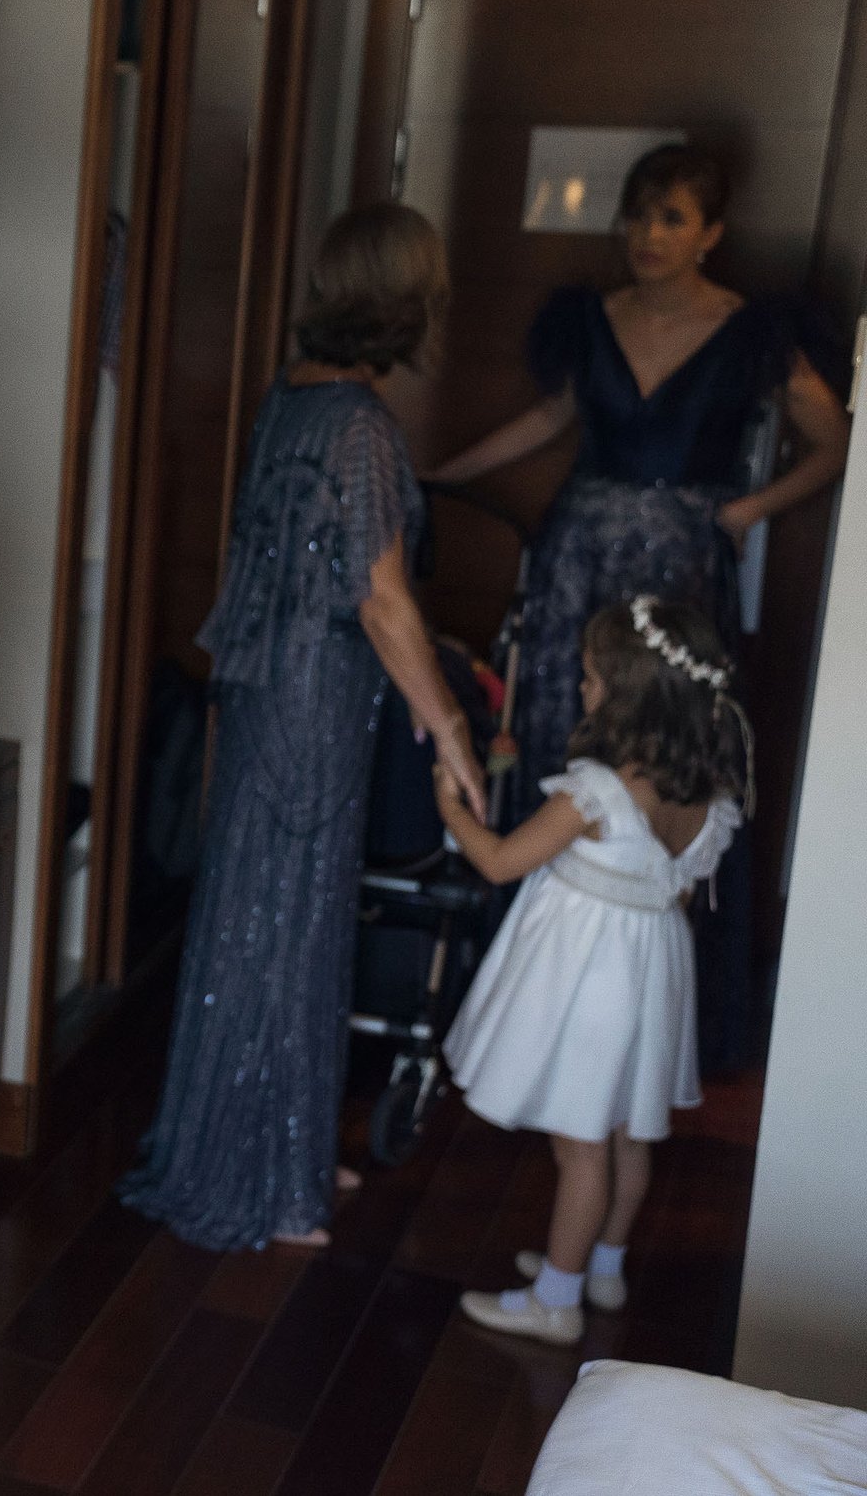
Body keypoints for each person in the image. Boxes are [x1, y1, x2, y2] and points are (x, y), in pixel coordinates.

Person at [424, 142, 848, 1069]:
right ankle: (532, 983)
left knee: (664, 752)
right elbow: (550, 420)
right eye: (639, 214)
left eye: (672, 217)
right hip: (576, 561)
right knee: (561, 743)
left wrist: (747, 510)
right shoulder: (592, 316)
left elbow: (834, 442)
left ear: (712, 233)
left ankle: (642, 992)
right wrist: (442, 476)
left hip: (679, 569)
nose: (648, 234)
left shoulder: (753, 331)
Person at [117, 204, 486, 1252]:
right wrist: (452, 727)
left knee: (261, 917)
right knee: (285, 925)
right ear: (405, 301)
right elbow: (382, 600)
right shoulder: (361, 426)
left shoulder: (293, 396)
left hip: (261, 689)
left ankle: (276, 1149)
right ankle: (263, 1176)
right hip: (313, 698)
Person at [439, 596, 749, 1346]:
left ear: (629, 698)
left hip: (590, 977)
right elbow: (674, 891)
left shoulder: (598, 793)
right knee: (626, 1134)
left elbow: (499, 860)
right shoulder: (708, 801)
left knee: (580, 1144)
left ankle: (556, 1298)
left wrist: (450, 806)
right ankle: (600, 1266)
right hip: (654, 972)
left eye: (591, 679)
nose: (583, 689)